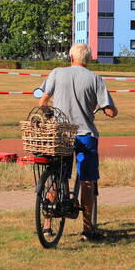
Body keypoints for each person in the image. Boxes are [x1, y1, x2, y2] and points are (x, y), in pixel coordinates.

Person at [38, 43, 118, 241]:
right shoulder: (95, 79)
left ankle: (47, 226)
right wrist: (110, 111)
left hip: (61, 135)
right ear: (88, 59)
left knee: (56, 178)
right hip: (85, 135)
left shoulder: (57, 72)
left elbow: (43, 100)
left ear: (70, 57)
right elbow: (109, 109)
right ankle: (88, 229)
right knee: (87, 181)